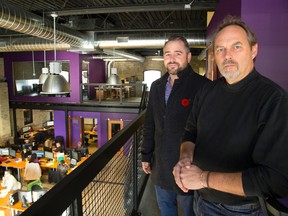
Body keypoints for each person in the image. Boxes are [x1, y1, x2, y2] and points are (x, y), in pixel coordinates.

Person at [173, 16, 288, 216]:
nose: (227, 56)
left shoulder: (273, 99)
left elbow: (275, 180)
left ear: (254, 50)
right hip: (200, 200)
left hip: (239, 210)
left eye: (236, 47)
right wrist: (184, 160)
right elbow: (190, 132)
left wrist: (203, 179)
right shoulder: (207, 91)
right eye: (220, 49)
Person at [141, 35, 210, 216]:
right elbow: (150, 124)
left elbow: (209, 131)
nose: (171, 59)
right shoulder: (156, 86)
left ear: (188, 57)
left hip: (189, 167)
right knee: (166, 209)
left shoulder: (203, 86)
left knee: (190, 211)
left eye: (177, 53)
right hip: (161, 166)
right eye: (167, 54)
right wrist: (146, 155)